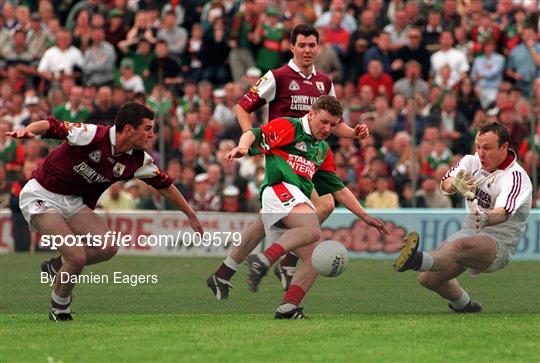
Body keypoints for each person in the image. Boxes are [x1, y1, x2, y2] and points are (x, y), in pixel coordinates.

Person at [6, 102, 203, 321]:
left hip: (72, 201)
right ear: (129, 129)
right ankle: (59, 308)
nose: (152, 134)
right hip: (41, 193)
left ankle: (57, 266)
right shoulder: (92, 135)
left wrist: (190, 214)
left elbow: (164, 185)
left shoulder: (138, 159)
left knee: (108, 246)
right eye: (147, 128)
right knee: (76, 255)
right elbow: (51, 126)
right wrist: (29, 130)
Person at [209, 96, 387, 319]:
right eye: (324, 122)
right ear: (311, 114)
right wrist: (243, 147)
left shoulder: (322, 150)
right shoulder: (289, 126)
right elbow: (255, 134)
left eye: (333, 125)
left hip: (291, 204)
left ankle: (287, 307)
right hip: (278, 189)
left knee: (317, 257)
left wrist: (365, 216)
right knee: (313, 228)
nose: (327, 128)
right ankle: (263, 260)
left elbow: (338, 188)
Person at [224, 24, 368, 292]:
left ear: (318, 47)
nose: (307, 50)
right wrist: (249, 138)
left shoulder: (325, 82)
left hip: (308, 160)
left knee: (273, 216)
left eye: (312, 45)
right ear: (292, 47)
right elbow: (243, 107)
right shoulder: (277, 76)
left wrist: (354, 133)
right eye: (301, 45)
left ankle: (231, 268)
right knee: (323, 205)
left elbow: (337, 124)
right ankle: (285, 259)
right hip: (281, 156)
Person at [394, 122, 532, 313]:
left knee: (460, 246)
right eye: (478, 146)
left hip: (499, 241)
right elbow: (445, 183)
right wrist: (454, 185)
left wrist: (485, 219)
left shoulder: (516, 177)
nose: (481, 153)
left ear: (504, 148)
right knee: (427, 280)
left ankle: (415, 259)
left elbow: (502, 213)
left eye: (488, 147)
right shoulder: (471, 161)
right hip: (469, 230)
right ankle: (464, 305)